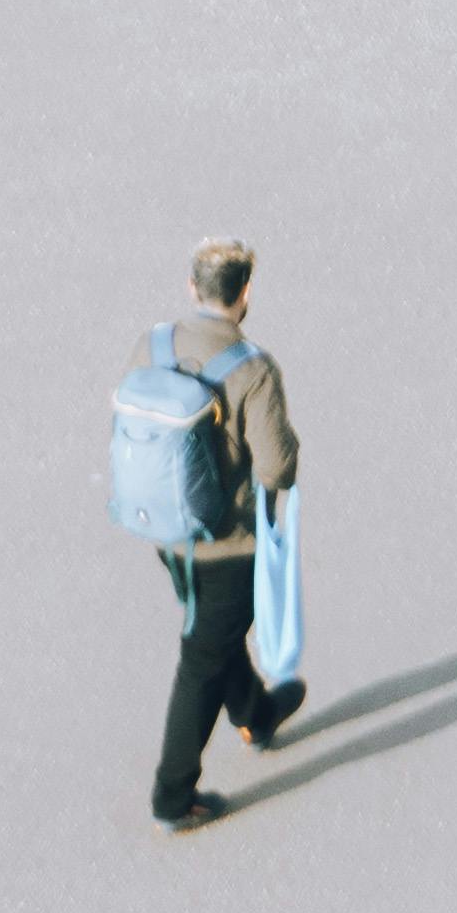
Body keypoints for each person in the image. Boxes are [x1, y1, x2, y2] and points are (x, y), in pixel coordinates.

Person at [150, 237, 303, 826]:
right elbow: (277, 468)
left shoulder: (153, 345)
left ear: (193, 289)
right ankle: (172, 796)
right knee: (202, 658)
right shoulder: (252, 370)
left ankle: (256, 713)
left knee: (212, 632)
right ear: (244, 294)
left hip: (166, 533)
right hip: (226, 545)